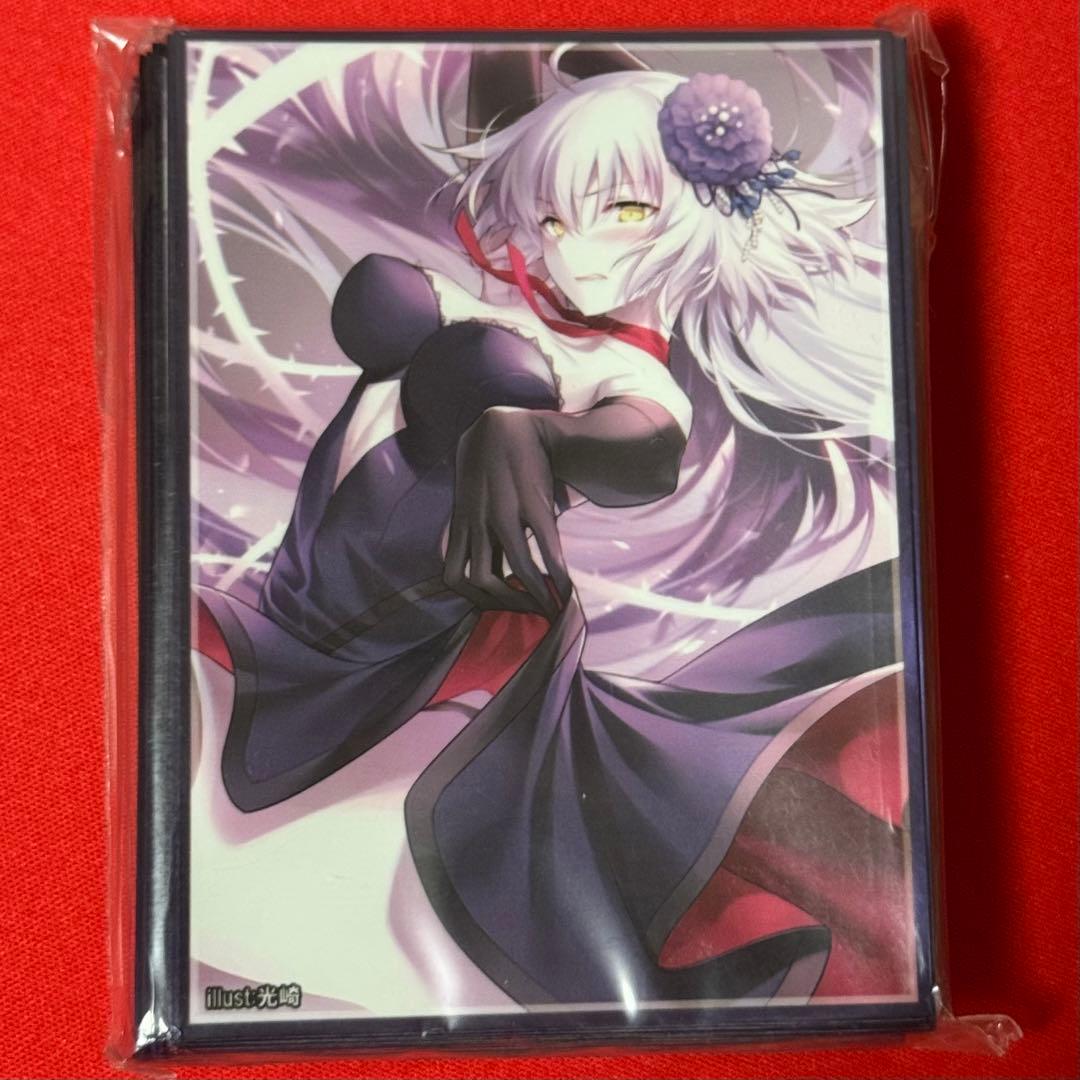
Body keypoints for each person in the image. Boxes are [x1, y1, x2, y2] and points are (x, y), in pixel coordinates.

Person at [190, 51, 915, 1015]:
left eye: (624, 212)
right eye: (553, 222)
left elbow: (642, 453)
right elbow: (479, 150)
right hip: (303, 614)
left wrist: (537, 432)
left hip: (430, 657)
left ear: (702, 217)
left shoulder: (625, 380)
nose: (574, 253)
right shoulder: (490, 303)